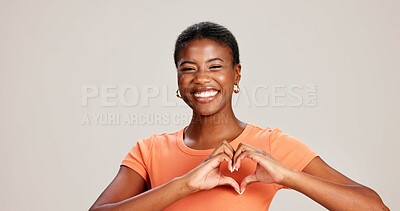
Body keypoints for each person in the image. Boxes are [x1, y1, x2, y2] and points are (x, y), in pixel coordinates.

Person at [89, 22, 389, 210]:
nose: (201, 79)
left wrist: (287, 176)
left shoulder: (269, 145)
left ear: (237, 74)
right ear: (178, 79)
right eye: (188, 68)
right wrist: (185, 184)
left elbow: (375, 208)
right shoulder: (149, 150)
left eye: (215, 66)